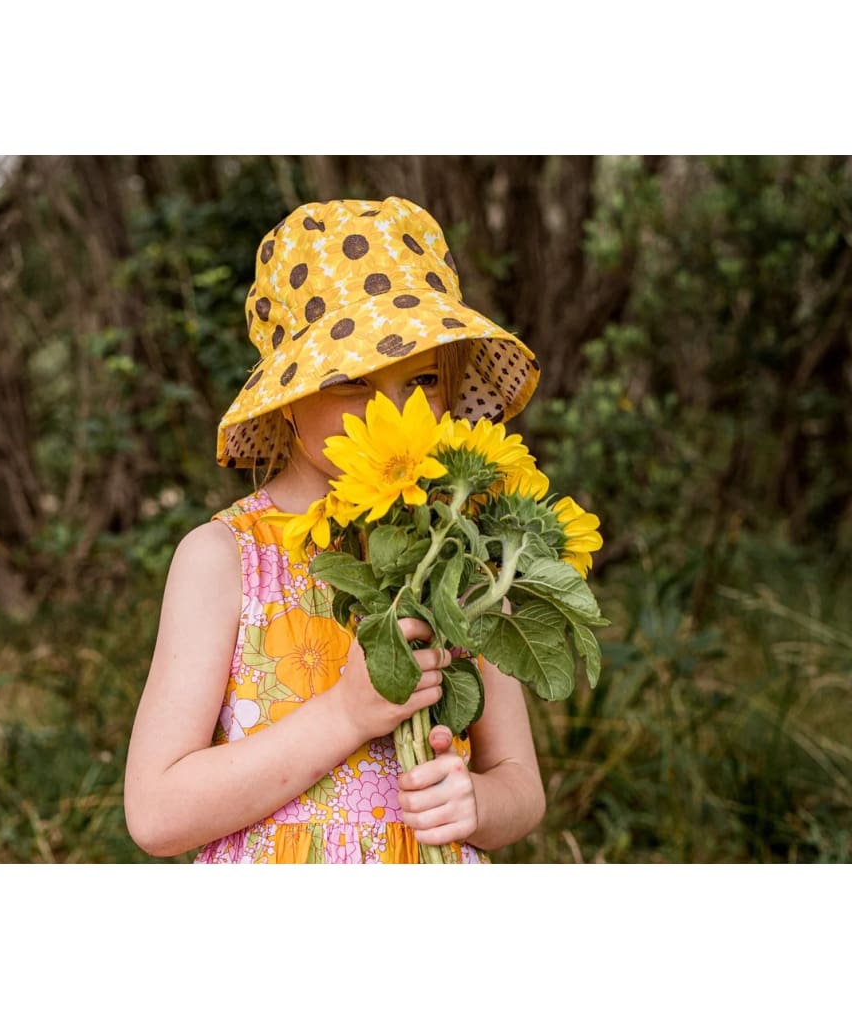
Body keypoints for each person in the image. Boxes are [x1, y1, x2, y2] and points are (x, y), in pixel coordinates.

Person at [124, 196, 547, 863]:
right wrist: (346, 714)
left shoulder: (458, 550)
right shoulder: (225, 559)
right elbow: (155, 813)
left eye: (425, 378)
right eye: (350, 381)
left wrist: (477, 804)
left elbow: (521, 784)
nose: (393, 409)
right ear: (288, 396)